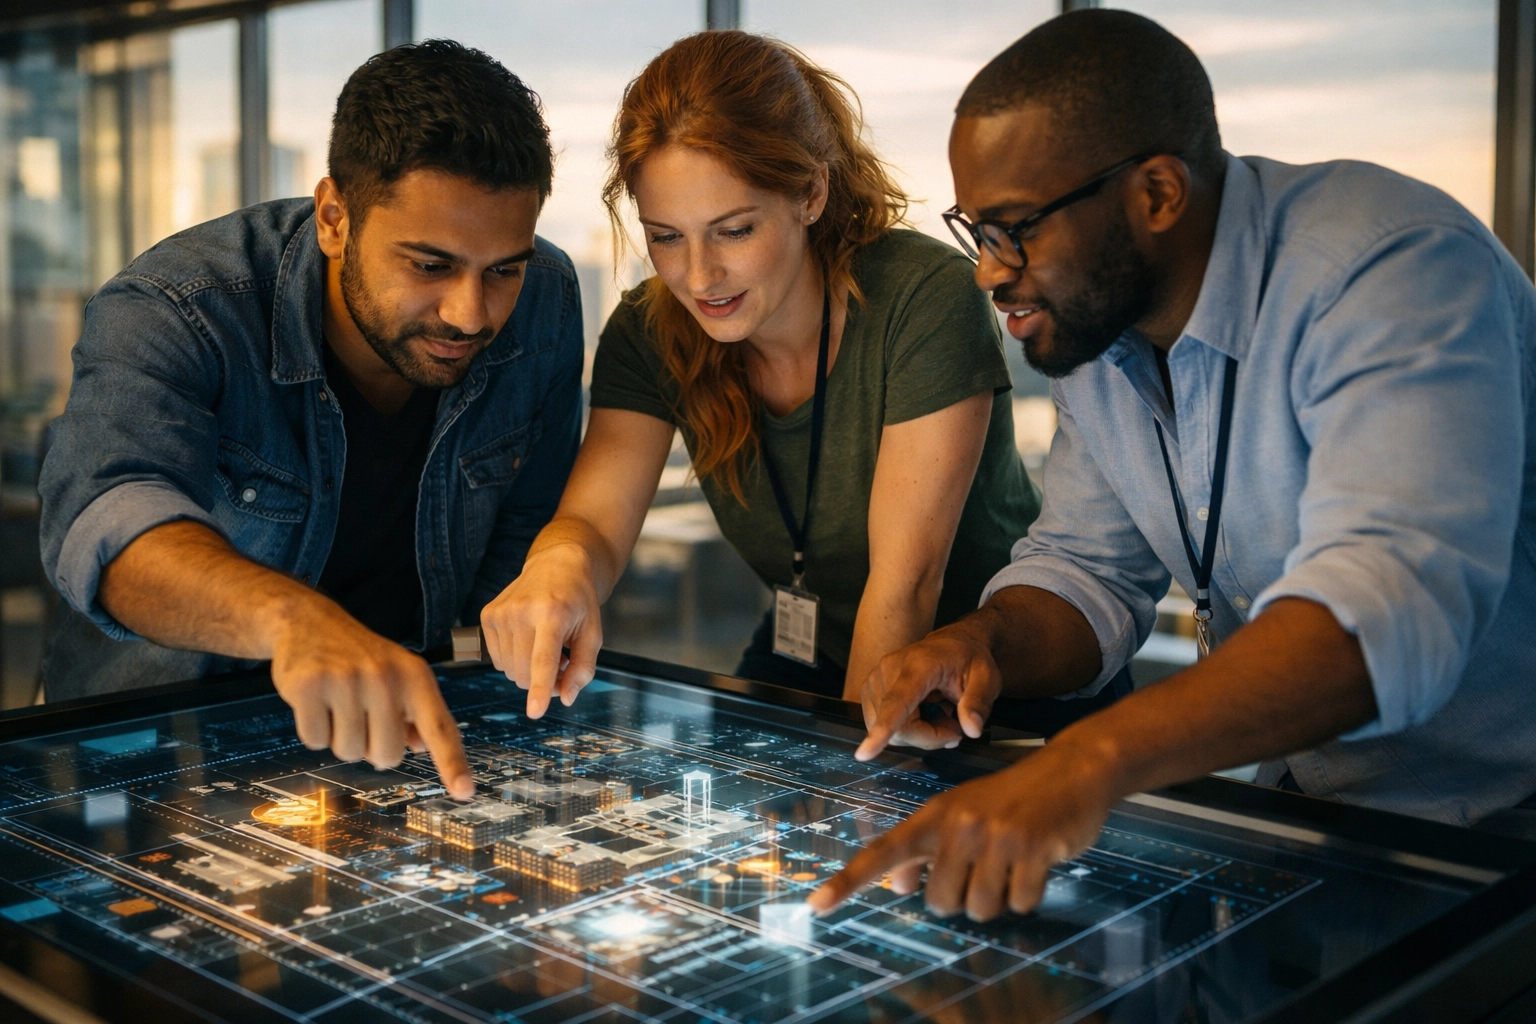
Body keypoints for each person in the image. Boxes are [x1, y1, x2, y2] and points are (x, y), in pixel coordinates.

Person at [810, 9, 1536, 923]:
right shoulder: (1099, 327)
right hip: (1318, 813)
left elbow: (1388, 610)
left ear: (1157, 193)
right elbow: (1087, 570)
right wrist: (983, 642)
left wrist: (1085, 764)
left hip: (1503, 825)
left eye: (1015, 229)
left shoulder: (1392, 267)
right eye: (976, 233)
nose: (991, 274)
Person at [38, 41, 588, 800]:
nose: (470, 312)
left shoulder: (549, 298)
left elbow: (529, 530)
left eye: (502, 269)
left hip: (399, 747)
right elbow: (105, 522)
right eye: (429, 265)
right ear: (335, 217)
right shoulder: (179, 306)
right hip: (156, 758)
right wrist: (293, 622)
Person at [479, 30, 1057, 717]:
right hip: (813, 655)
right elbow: (593, 527)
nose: (698, 277)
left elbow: (905, 589)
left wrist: (851, 773)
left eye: (734, 230)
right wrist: (559, 566)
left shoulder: (925, 297)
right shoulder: (648, 328)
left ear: (811, 193)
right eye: (666, 236)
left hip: (992, 677)